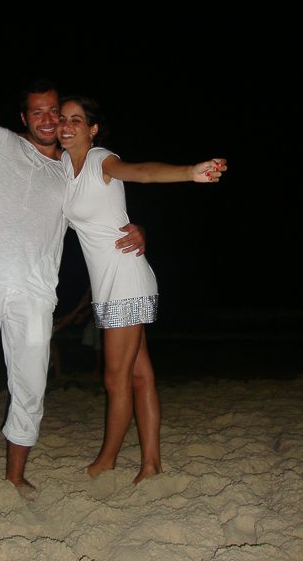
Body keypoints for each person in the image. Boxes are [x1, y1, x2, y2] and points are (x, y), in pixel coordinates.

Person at [0, 0, 146, 489]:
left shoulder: (72, 170)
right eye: (38, 112)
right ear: (24, 117)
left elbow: (106, 207)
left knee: (30, 384)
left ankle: (16, 474)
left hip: (35, 290)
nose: (49, 120)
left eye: (55, 112)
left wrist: (138, 229)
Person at [57, 96, 227, 483]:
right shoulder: (64, 165)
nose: (67, 126)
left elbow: (141, 171)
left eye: (77, 120)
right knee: (139, 375)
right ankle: (151, 464)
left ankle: (107, 460)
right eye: (63, 119)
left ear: (93, 128)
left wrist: (190, 172)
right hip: (108, 284)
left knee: (115, 379)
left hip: (126, 282)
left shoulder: (101, 159)